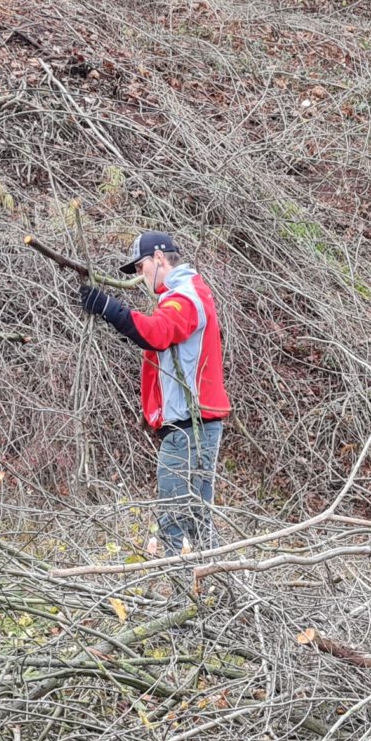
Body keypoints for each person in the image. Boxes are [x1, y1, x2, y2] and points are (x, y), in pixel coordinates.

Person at [76, 230, 230, 555]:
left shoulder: (185, 298)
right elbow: (158, 341)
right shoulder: (187, 295)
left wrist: (109, 308)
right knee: (197, 519)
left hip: (189, 429)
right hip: (195, 425)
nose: (139, 274)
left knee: (172, 520)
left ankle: (181, 597)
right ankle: (220, 589)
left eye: (141, 266)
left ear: (159, 258)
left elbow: (157, 334)